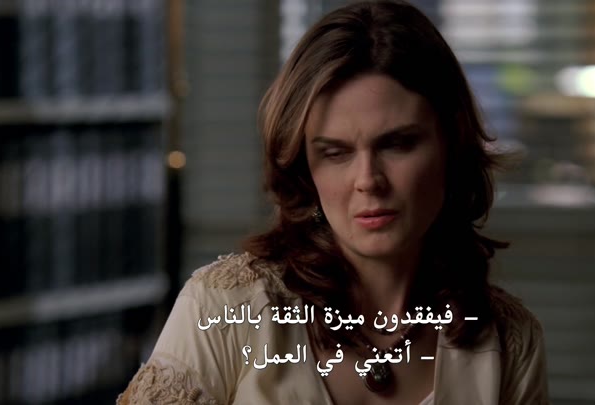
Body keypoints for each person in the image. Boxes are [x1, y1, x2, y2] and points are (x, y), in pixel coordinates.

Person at [117, 1, 549, 404]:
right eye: (336, 152)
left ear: (450, 147)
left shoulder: (508, 342)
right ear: (305, 168)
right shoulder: (227, 310)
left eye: (397, 144)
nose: (368, 181)